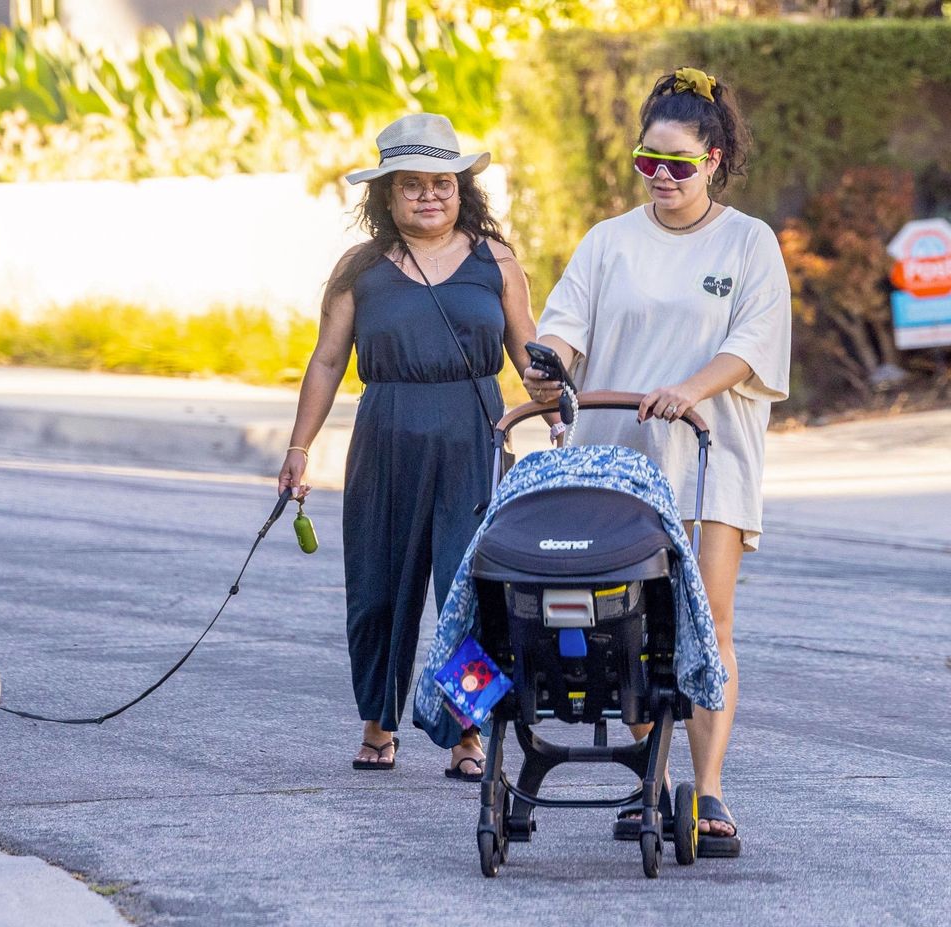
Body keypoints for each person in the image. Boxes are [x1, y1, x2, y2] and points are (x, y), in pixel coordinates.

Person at [524, 67, 791, 856]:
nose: (662, 179)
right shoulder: (609, 242)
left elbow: (751, 344)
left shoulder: (749, 242)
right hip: (618, 465)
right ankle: (651, 780)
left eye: (678, 164)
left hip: (713, 462)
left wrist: (689, 389)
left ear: (714, 159)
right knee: (624, 633)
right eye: (649, 163)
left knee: (706, 628)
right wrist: (549, 366)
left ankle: (706, 792)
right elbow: (564, 325)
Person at [278, 112, 537, 779]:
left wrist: (560, 385)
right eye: (413, 185)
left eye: (442, 184)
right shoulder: (360, 269)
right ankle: (378, 722)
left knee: (472, 588)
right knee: (378, 588)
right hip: (386, 430)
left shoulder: (495, 261)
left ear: (462, 190)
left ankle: (467, 734)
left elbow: (529, 352)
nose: (430, 195)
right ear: (386, 195)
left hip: (474, 434)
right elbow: (328, 361)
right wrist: (300, 448)